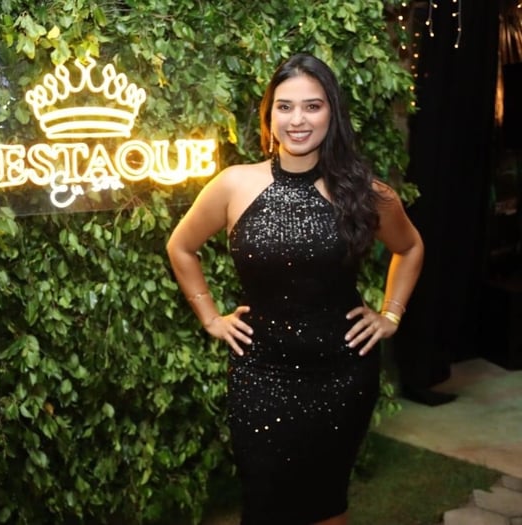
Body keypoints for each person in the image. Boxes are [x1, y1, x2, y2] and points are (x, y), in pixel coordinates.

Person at [166, 53, 424, 525]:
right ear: (269, 116)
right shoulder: (234, 184)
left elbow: (409, 247)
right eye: (284, 107)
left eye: (312, 106)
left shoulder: (364, 191)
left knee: (327, 504)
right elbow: (181, 247)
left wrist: (391, 314)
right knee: (264, 504)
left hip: (343, 374)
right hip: (260, 375)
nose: (297, 120)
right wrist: (210, 317)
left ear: (332, 113)